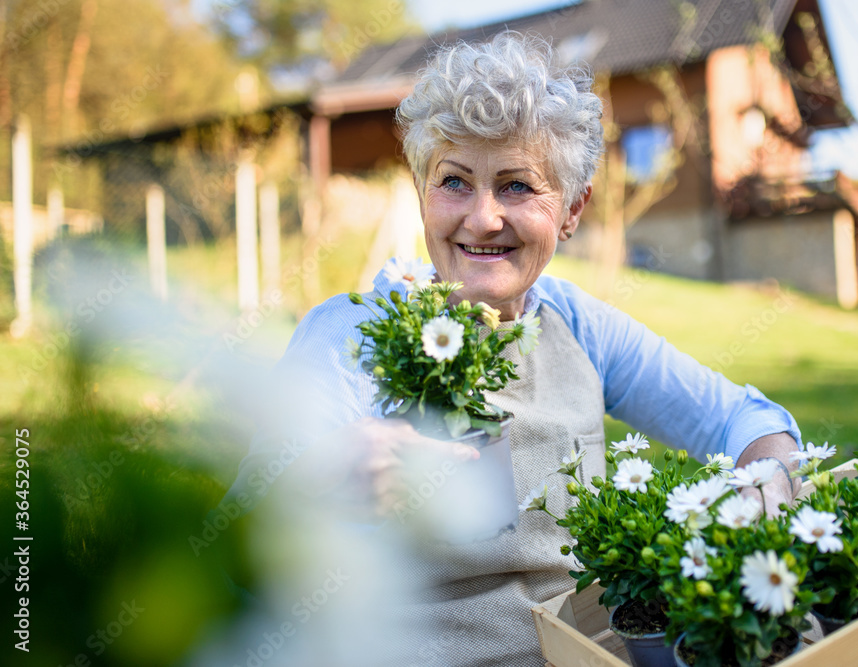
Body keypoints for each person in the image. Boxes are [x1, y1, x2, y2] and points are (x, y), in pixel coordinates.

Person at [225, 31, 802, 666]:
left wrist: (768, 481)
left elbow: (741, 419)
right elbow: (234, 550)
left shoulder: (578, 326)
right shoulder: (350, 336)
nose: (481, 218)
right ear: (422, 192)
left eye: (517, 186)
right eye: (454, 182)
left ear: (573, 207)